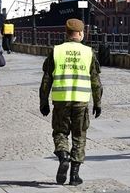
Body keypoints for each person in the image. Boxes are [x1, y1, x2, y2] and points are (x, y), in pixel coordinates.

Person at [39, 18, 103, 185]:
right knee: (79, 136)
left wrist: (43, 102)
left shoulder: (57, 51)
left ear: (66, 33)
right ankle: (74, 176)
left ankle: (63, 156)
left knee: (60, 132)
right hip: (81, 101)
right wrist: (97, 103)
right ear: (81, 33)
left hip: (61, 100)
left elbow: (46, 80)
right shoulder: (88, 52)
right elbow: (96, 82)